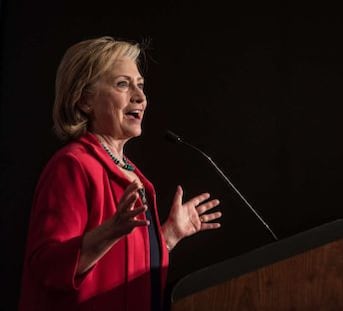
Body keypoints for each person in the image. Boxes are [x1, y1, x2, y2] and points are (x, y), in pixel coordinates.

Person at [18, 36, 222, 311]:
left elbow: (122, 270)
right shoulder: (73, 166)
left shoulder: (130, 173)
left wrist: (168, 236)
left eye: (140, 85)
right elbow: (47, 266)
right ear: (84, 100)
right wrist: (108, 232)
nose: (140, 97)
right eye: (123, 84)